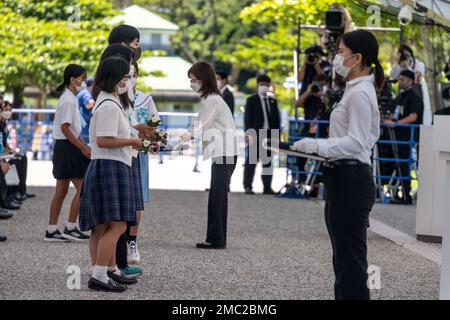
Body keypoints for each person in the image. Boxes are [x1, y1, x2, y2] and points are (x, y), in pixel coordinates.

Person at [292, 29, 383, 300]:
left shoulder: (360, 93)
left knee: (350, 264)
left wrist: (316, 145)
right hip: (341, 178)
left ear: (356, 58)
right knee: (343, 261)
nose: (336, 57)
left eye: (340, 52)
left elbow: (356, 143)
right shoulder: (354, 90)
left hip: (351, 180)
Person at [79, 56, 143, 292]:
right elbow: (103, 140)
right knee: (116, 225)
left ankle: (107, 270)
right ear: (115, 77)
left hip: (107, 165)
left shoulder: (108, 100)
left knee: (102, 226)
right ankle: (99, 275)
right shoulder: (107, 104)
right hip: (111, 165)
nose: (128, 80)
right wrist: (133, 141)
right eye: (125, 76)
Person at [180, 62, 238, 249]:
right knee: (216, 196)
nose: (192, 84)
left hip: (224, 152)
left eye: (194, 80)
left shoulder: (212, 99)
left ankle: (217, 239)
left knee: (218, 198)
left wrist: (180, 140)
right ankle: (215, 237)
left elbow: (200, 126)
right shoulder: (212, 99)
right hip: (224, 152)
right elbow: (199, 123)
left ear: (204, 80)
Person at [46, 64, 91, 242]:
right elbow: (65, 128)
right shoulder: (68, 99)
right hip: (68, 148)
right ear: (73, 80)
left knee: (62, 189)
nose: (85, 81)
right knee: (83, 188)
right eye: (83, 77)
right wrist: (82, 147)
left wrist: (82, 144)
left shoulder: (70, 97)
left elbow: (71, 128)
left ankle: (52, 229)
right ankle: (71, 226)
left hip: (65, 147)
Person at [127, 61, 159, 264]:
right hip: (119, 151)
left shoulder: (145, 99)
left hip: (140, 154)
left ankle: (132, 242)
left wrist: (153, 139)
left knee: (138, 199)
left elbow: (155, 124)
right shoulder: (114, 98)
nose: (130, 79)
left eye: (133, 74)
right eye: (126, 75)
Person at [383, 69, 423, 205]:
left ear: (410, 81)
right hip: (396, 137)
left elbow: (413, 117)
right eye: (399, 79)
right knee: (396, 164)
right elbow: (390, 112)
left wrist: (395, 124)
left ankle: (407, 195)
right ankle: (400, 193)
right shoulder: (399, 97)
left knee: (404, 165)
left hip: (407, 137)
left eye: (403, 80)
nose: (400, 82)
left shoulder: (415, 97)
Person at [243, 74, 281, 195]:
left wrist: (277, 136)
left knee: (268, 162)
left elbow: (277, 120)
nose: (264, 86)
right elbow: (247, 119)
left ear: (269, 86)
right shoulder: (251, 100)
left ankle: (267, 187)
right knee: (252, 161)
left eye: (266, 84)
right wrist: (248, 134)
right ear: (257, 86)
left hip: (269, 135)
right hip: (255, 134)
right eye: (261, 84)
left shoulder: (273, 101)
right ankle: (248, 186)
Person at [0, 101, 35, 203]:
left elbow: (4, 144)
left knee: (22, 157)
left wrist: (12, 152)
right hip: (2, 156)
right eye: (5, 110)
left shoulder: (4, 124)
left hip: (3, 154)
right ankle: (9, 197)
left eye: (10, 110)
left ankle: (21, 190)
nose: (8, 112)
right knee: (14, 161)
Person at [77, 77, 95, 144]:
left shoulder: (83, 92)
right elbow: (88, 104)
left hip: (82, 122)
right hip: (84, 123)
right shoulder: (86, 93)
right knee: (85, 144)